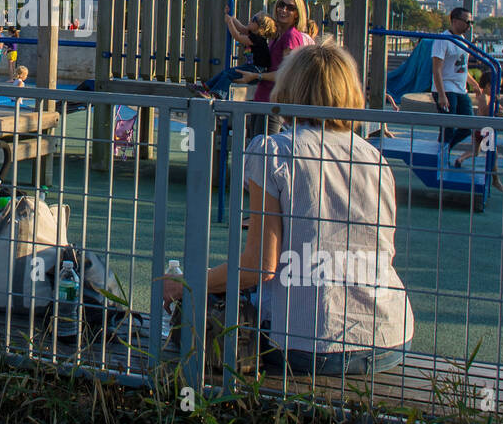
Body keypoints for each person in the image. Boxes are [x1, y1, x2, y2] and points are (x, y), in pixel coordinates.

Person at [163, 42, 414, 375]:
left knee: (204, 317)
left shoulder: (273, 152)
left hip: (309, 342)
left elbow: (259, 266)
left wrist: (190, 283)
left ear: (288, 89)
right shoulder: (374, 158)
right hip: (390, 336)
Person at [189, 11, 276, 99]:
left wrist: (229, 22)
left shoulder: (258, 39)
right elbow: (241, 28)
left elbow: (237, 36)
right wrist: (232, 18)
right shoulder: (253, 34)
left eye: (254, 19)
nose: (250, 19)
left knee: (228, 75)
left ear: (260, 27)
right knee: (225, 72)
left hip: (256, 70)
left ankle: (217, 94)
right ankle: (206, 87)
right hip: (252, 67)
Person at [249, 0, 314, 103]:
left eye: (290, 8)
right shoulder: (277, 35)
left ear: (297, 14)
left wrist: (257, 76)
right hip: (263, 99)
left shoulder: (291, 37)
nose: (284, 10)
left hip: (276, 104)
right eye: (281, 5)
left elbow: (287, 74)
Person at [432, 7, 476, 152]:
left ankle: (445, 150)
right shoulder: (443, 40)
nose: (469, 25)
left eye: (471, 22)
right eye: (467, 21)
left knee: (468, 125)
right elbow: (437, 69)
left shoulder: (462, 41)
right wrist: (442, 95)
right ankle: (441, 156)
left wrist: (475, 85)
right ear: (455, 21)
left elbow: (462, 68)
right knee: (448, 127)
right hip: (447, 88)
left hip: (460, 89)